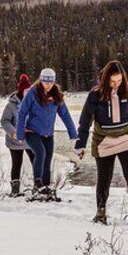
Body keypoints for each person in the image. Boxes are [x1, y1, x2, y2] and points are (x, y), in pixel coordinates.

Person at [74, 61, 128, 225]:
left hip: (127, 138)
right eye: (112, 81)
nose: (116, 84)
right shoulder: (94, 95)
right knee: (104, 177)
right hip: (103, 141)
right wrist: (80, 144)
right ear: (105, 80)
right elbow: (85, 122)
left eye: (119, 80)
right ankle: (101, 212)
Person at [16, 68, 79, 200]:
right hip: (31, 131)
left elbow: (65, 116)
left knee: (48, 158)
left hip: (47, 133)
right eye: (45, 82)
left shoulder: (56, 95)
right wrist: (20, 134)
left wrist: (73, 136)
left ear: (54, 82)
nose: (48, 85)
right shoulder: (33, 93)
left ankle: (45, 187)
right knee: (40, 153)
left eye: (51, 82)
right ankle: (37, 184)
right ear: (41, 80)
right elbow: (22, 113)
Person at [0, 73, 34, 197]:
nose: (28, 92)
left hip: (30, 139)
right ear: (20, 90)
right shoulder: (11, 105)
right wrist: (13, 132)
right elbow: (4, 121)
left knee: (36, 162)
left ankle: (38, 187)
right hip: (14, 141)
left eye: (29, 90)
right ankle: (15, 190)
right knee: (16, 164)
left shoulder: (33, 102)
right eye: (26, 90)